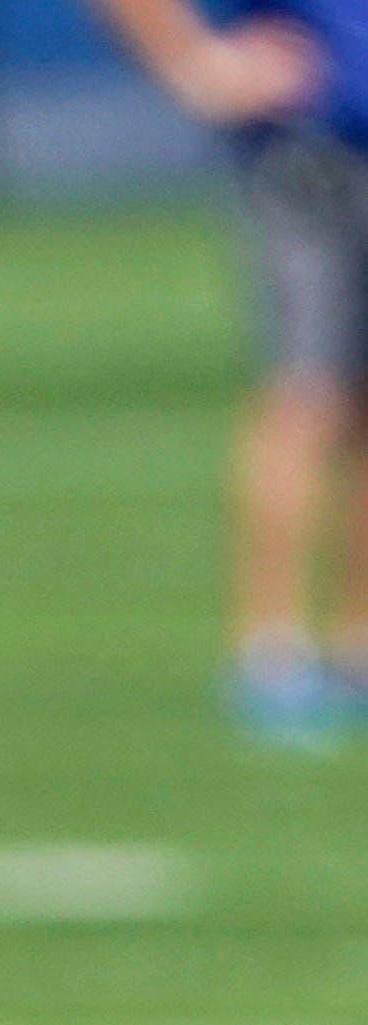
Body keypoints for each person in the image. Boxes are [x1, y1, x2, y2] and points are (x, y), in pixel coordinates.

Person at [93, 0, 364, 742]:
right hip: (314, 152)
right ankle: (268, 656)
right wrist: (198, 66)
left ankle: (354, 648)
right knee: (303, 396)